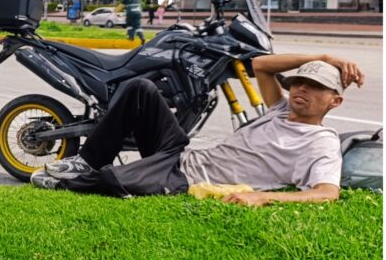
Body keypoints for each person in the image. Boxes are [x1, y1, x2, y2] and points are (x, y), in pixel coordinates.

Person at [32, 55, 364, 204]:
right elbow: (260, 65)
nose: (301, 90)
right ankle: (86, 160)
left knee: (114, 180)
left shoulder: (321, 143)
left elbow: (326, 193)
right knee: (140, 89)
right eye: (299, 82)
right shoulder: (280, 108)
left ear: (335, 102)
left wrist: (264, 197)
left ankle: (74, 182)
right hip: (181, 155)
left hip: (187, 181)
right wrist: (322, 56)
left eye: (314, 86)